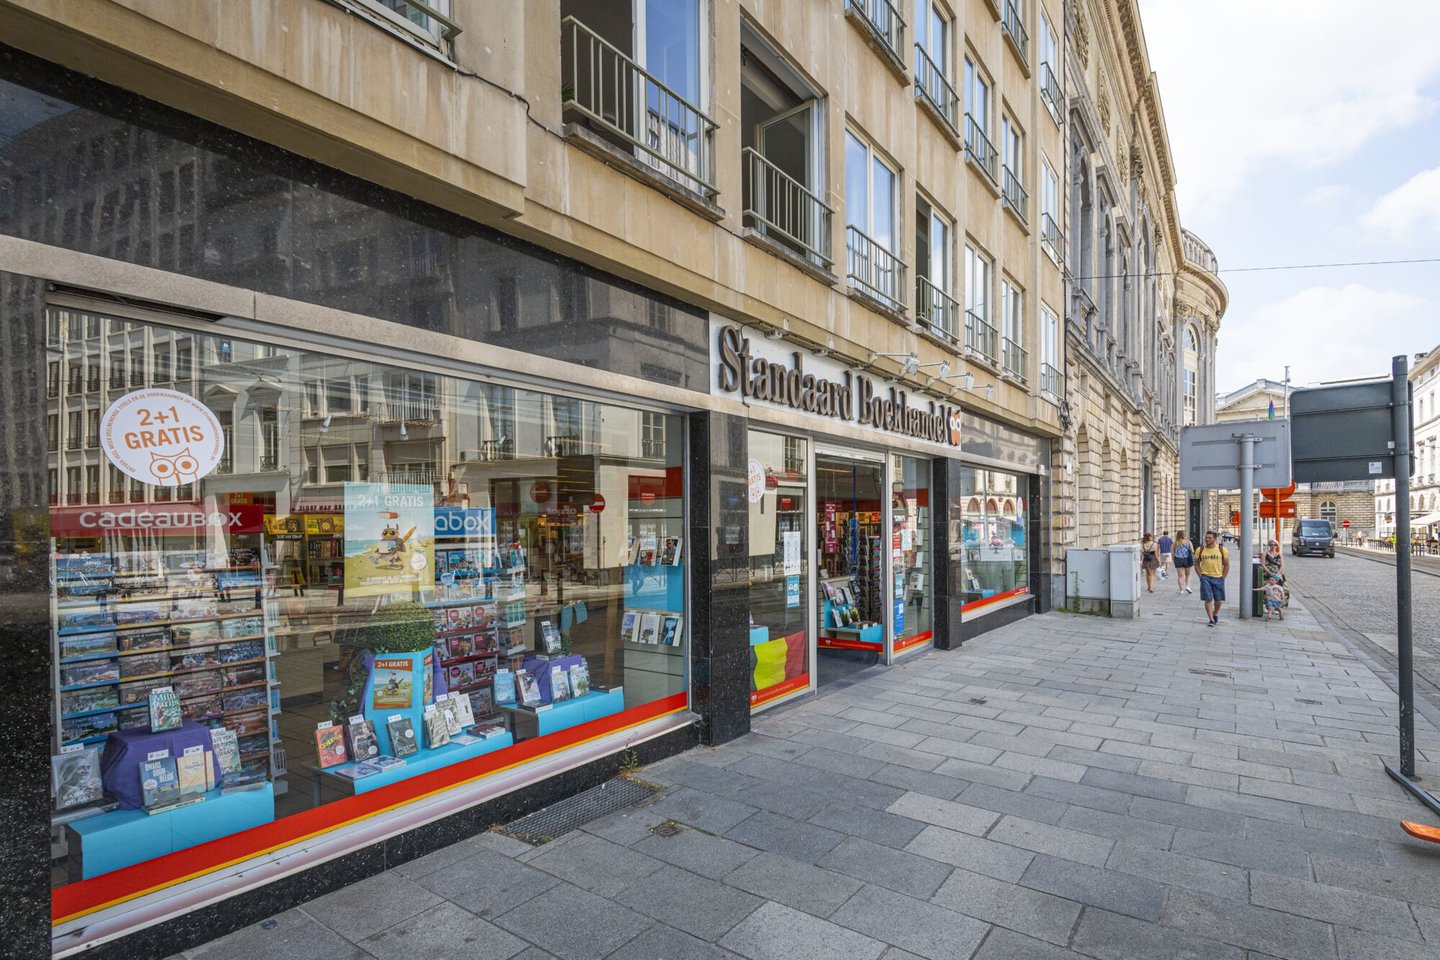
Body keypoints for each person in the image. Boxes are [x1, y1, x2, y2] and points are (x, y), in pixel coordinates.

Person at [1195, 530, 1230, 626]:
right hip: (1205, 577)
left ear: (1215, 539)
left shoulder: (1222, 550)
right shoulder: (1200, 549)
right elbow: (1197, 564)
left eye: (1210, 538)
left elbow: (1226, 565)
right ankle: (1211, 619)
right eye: (1206, 537)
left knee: (1218, 600)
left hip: (1218, 577)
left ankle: (1215, 613)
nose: (1207, 539)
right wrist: (1200, 576)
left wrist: (1223, 577)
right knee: (1208, 598)